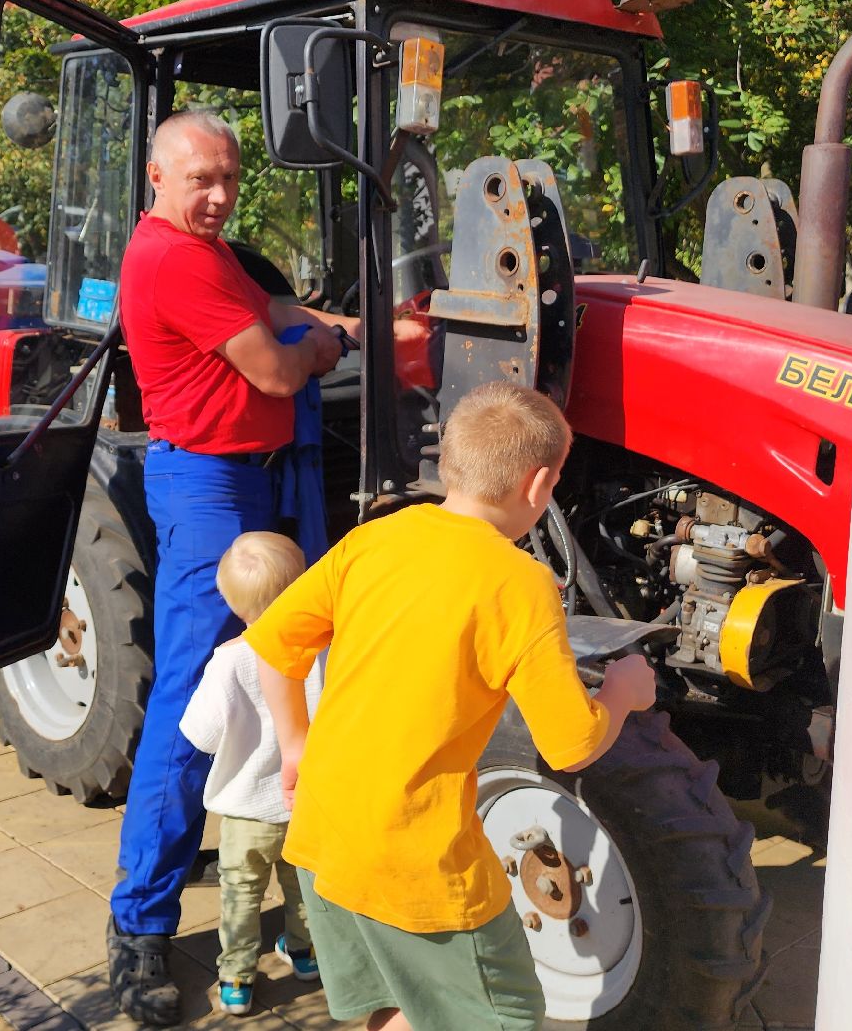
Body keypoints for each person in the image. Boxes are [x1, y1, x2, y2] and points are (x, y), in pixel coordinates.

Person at [246, 381, 660, 1031]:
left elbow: (274, 646)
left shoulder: (374, 539)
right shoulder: (520, 584)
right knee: (506, 1016)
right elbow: (572, 744)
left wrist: (295, 742)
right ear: (539, 485)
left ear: (449, 464)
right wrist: (624, 692)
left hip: (326, 836)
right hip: (419, 864)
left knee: (392, 1006)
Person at [106, 109, 347, 1026]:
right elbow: (281, 372)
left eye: (230, 180)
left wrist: (333, 317)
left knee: (297, 662)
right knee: (194, 691)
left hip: (257, 474)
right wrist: (329, 347)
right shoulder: (170, 258)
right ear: (158, 179)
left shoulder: (209, 253)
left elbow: (269, 310)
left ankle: (299, 865)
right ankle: (139, 927)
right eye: (201, 178)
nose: (217, 196)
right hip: (212, 490)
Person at [177, 532, 324, 1016]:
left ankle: (237, 977)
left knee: (242, 893)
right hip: (305, 801)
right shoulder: (324, 650)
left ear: (230, 601)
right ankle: (304, 954)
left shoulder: (231, 661)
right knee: (302, 883)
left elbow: (201, 733)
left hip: (246, 811)